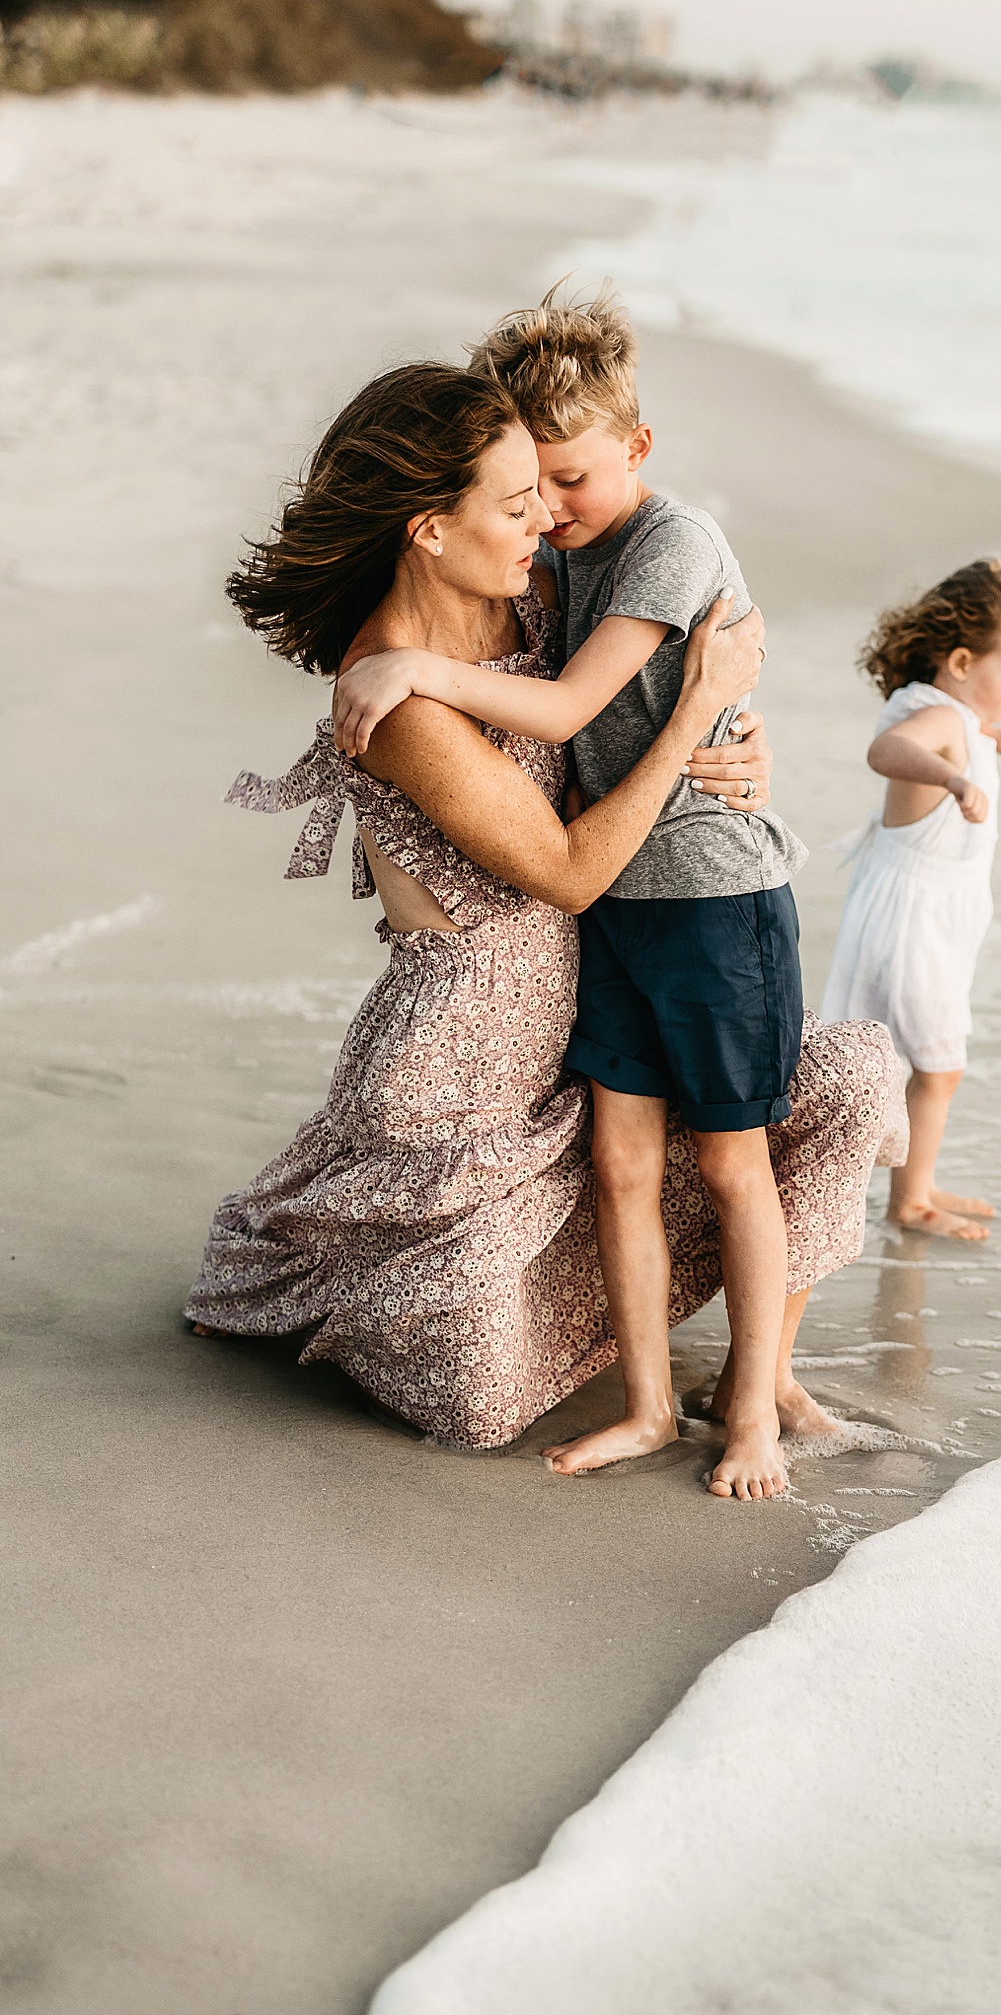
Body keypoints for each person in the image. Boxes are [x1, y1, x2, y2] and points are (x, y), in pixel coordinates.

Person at [189, 362, 904, 1497]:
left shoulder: (540, 596)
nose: (547, 521)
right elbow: (570, 871)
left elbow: (650, 689)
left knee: (853, 1084)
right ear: (431, 529)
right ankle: (578, 1335)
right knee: (471, 1395)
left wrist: (737, 741)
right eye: (515, 505)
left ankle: (759, 1375)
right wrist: (681, 737)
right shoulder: (399, 697)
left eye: (544, 493)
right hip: (466, 1073)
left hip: (600, 1003)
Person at [328, 293, 812, 1496]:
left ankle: (752, 1407)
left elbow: (573, 709)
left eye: (571, 482)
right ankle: (652, 1404)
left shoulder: (666, 543)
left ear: (637, 449)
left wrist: (416, 667)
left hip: (707, 895)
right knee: (624, 1167)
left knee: (737, 1163)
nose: (549, 512)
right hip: (615, 914)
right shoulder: (559, 558)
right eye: (530, 489)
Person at [821, 559, 1001, 1242]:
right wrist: (954, 780)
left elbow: (955, 728)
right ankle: (909, 1199)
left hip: (927, 914)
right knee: (936, 1062)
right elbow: (888, 749)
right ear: (961, 660)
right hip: (913, 920)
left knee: (910, 1060)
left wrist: (992, 739)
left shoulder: (954, 713)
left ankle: (909, 1185)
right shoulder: (933, 717)